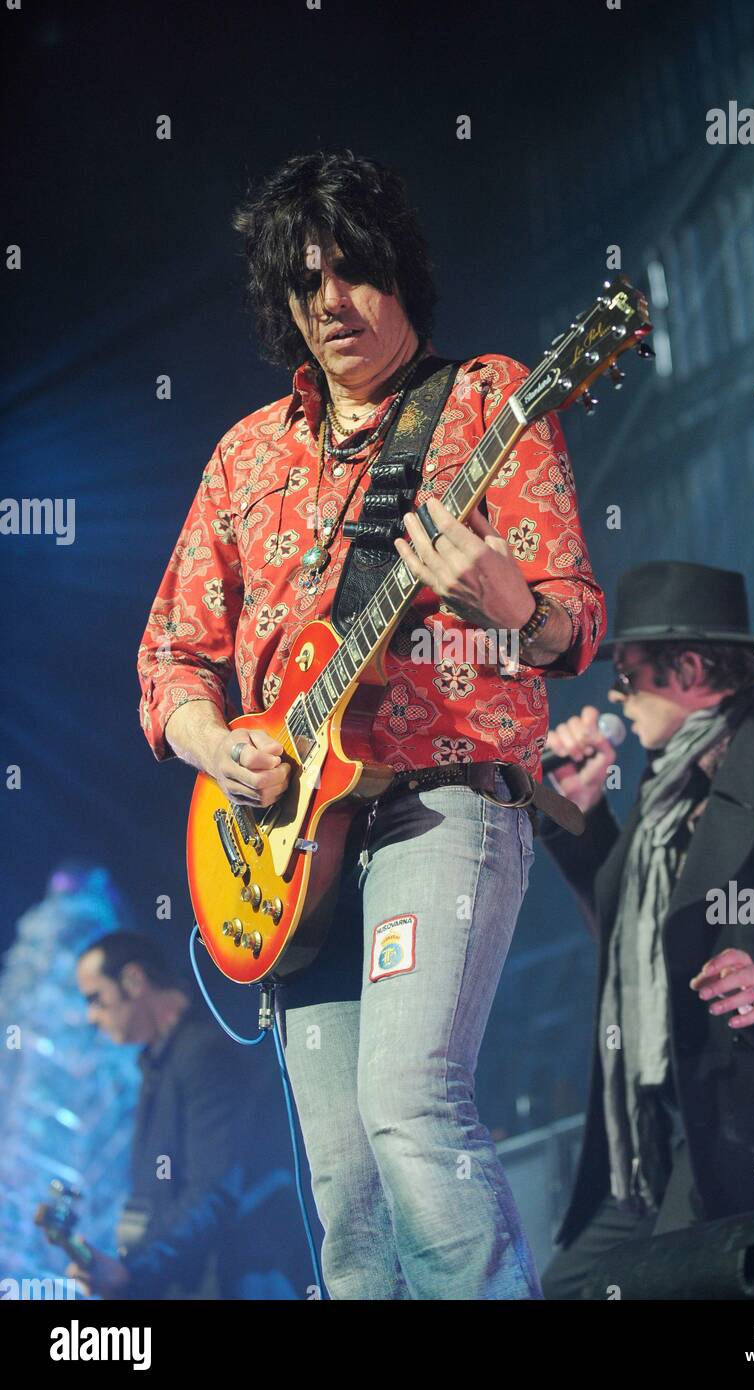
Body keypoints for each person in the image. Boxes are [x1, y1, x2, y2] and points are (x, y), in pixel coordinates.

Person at [136, 149, 606, 1299]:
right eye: (305, 287)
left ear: (399, 274)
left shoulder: (490, 398)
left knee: (408, 1103)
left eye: (352, 274)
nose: (331, 306)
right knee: (343, 1196)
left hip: (439, 802)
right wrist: (215, 744)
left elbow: (577, 620)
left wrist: (517, 606)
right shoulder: (246, 456)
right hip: (290, 850)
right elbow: (170, 657)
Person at [537, 561, 754, 1300]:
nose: (616, 695)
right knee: (565, 1291)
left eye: (628, 676)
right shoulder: (661, 792)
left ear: (687, 669)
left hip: (739, 1126)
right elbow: (624, 930)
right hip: (649, 1131)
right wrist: (579, 813)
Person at [69, 930, 304, 1299]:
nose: (91, 1016)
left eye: (96, 998)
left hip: (237, 1276)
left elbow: (213, 1191)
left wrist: (136, 1272)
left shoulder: (203, 1054)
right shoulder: (160, 1062)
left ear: (134, 980)